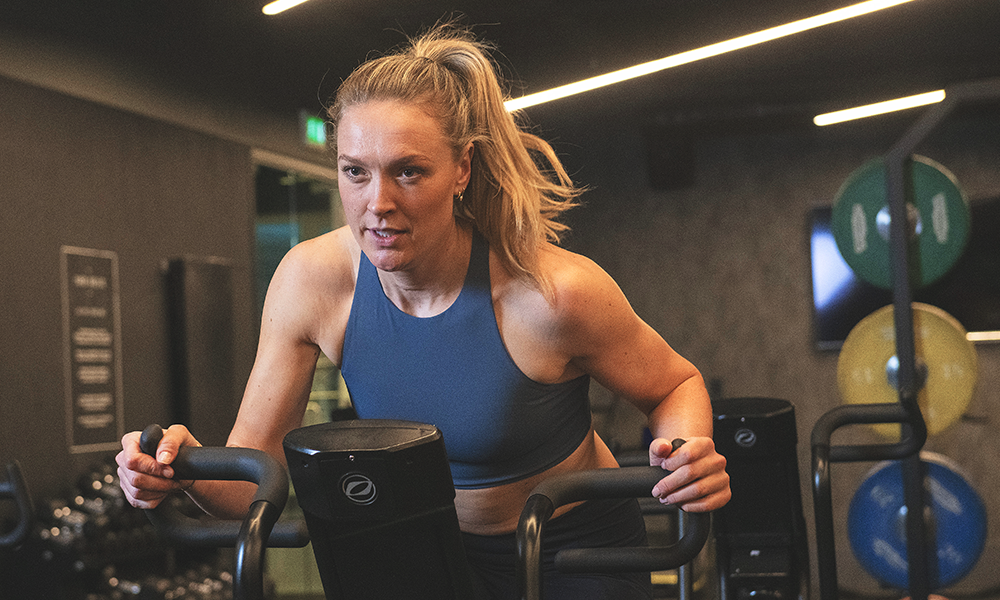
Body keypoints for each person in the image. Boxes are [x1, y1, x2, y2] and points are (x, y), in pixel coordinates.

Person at [117, 24, 730, 600]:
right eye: (354, 172)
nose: (376, 203)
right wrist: (182, 468)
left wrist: (686, 451)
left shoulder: (551, 292)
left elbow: (675, 382)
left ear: (462, 168)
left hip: (571, 552)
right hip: (421, 556)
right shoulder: (312, 283)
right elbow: (250, 478)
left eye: (408, 172)